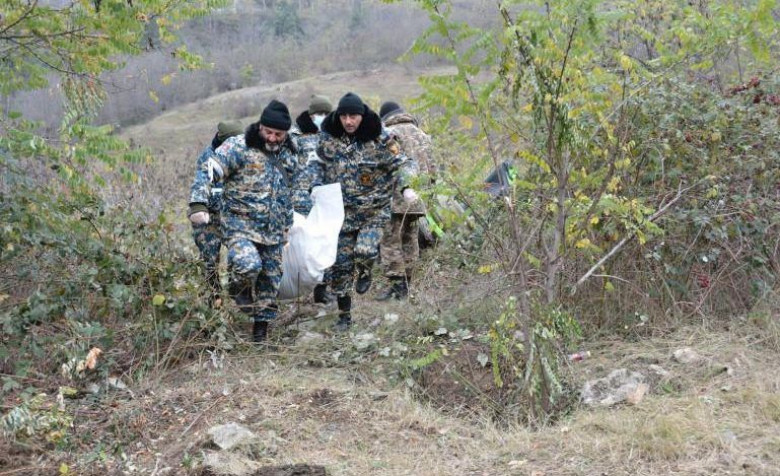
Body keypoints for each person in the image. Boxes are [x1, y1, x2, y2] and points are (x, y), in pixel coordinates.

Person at [189, 100, 303, 342]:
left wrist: (287, 226)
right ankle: (238, 286)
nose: (272, 138)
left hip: (273, 230)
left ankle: (260, 332)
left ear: (285, 133)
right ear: (260, 126)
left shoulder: (291, 155)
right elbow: (209, 170)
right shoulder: (238, 147)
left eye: (278, 134)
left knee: (270, 280)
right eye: (268, 132)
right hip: (239, 226)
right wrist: (198, 204)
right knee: (248, 264)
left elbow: (287, 193)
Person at [310, 92, 416, 331]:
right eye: (344, 116)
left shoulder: (380, 137)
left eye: (353, 116)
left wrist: (407, 186)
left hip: (373, 211)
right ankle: (344, 317)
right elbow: (316, 163)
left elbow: (404, 163)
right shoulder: (329, 138)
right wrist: (314, 185)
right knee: (341, 267)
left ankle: (366, 269)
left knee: (365, 251)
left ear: (362, 115)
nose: (348, 122)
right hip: (342, 213)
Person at [376, 101, 435, 300]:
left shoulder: (390, 134)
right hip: (419, 196)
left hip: (396, 196)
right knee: (410, 238)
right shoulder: (423, 135)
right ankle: (408, 283)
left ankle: (397, 286)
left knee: (390, 239)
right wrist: (428, 195)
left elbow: (385, 166)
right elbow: (433, 169)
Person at [188, 120, 243, 306]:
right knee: (209, 261)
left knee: (240, 254)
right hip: (209, 218)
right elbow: (201, 183)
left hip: (233, 216)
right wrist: (199, 206)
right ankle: (214, 300)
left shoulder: (246, 154)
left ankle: (239, 293)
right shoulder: (208, 157)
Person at [291, 94, 339, 305]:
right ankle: (293, 285)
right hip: (299, 200)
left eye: (326, 113)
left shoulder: (333, 136)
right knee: (301, 246)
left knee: (326, 243)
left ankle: (322, 290)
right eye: (319, 113)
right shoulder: (294, 137)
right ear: (310, 115)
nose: (322, 117)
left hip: (324, 198)